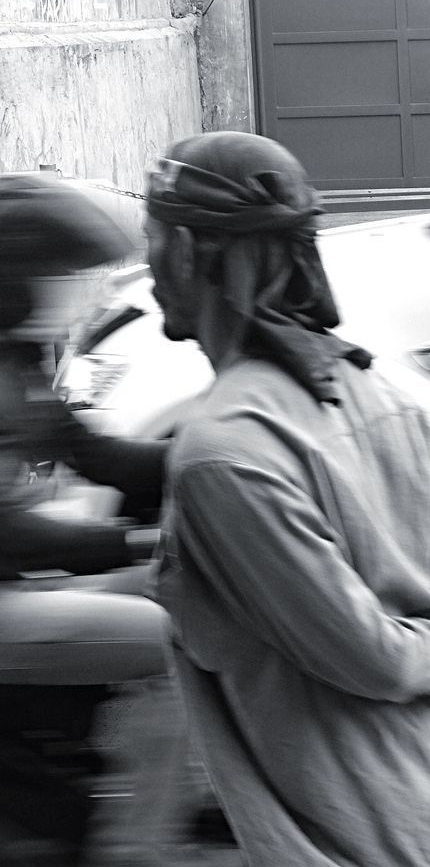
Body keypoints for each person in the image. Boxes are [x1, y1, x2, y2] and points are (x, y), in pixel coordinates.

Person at [143, 131, 430, 867]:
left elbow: (379, 655)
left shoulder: (217, 456)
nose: (151, 266)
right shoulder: (376, 395)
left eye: (154, 240)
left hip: (349, 843)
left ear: (188, 251)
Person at [0, 175, 188, 865]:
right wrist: (140, 540)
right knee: (180, 639)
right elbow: (10, 535)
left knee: (178, 589)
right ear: (18, 274)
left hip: (21, 590)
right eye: (63, 273)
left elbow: (101, 456)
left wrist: (214, 451)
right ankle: (135, 848)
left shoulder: (19, 362)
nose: (78, 289)